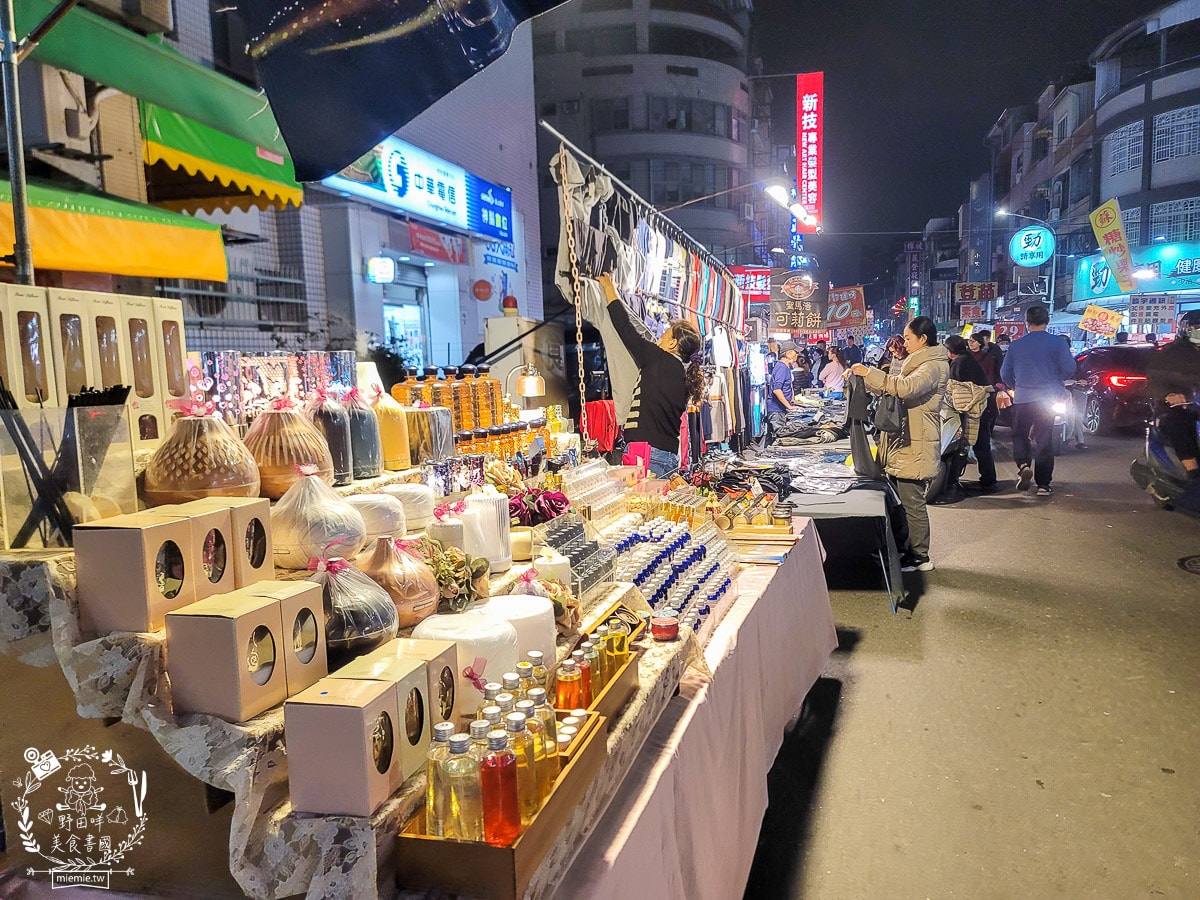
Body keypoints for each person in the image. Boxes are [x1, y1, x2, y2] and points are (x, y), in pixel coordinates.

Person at [850, 316, 949, 572]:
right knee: (899, 501)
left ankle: (920, 556)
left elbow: (905, 389)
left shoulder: (931, 366)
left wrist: (870, 373)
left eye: (908, 338)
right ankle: (903, 549)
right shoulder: (917, 362)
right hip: (904, 439)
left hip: (916, 441)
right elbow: (892, 387)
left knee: (912, 502)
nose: (904, 342)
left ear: (923, 339)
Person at [598, 273, 703, 476]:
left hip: (646, 454)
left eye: (664, 335)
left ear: (673, 343)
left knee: (641, 506)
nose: (659, 338)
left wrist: (609, 288)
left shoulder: (659, 359)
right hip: (668, 456)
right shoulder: (684, 375)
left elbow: (625, 328)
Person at [999, 305, 1076, 496]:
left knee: (1020, 434)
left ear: (1027, 323)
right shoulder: (1058, 343)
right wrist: (1058, 379)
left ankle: (1024, 464)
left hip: (1023, 397)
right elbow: (1069, 368)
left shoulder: (1016, 345)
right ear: (1047, 321)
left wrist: (1013, 387)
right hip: (1048, 398)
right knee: (1044, 438)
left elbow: (1004, 373)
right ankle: (1043, 485)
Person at [1146, 309, 1200, 483]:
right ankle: (1192, 472)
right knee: (1179, 424)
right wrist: (1169, 394)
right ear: (1187, 329)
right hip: (1179, 407)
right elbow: (1154, 380)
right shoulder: (1171, 353)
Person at [945, 335, 996, 491]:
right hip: (984, 406)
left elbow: (954, 388)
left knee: (977, 445)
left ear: (950, 350)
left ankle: (987, 481)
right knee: (982, 445)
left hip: (977, 409)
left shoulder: (959, 363)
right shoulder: (967, 358)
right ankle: (988, 479)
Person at [766, 340, 801, 439]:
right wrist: (789, 407)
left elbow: (788, 385)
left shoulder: (785, 367)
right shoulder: (781, 368)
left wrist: (792, 400)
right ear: (789, 353)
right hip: (777, 411)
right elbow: (777, 390)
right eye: (795, 352)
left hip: (780, 409)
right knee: (779, 439)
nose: (797, 355)